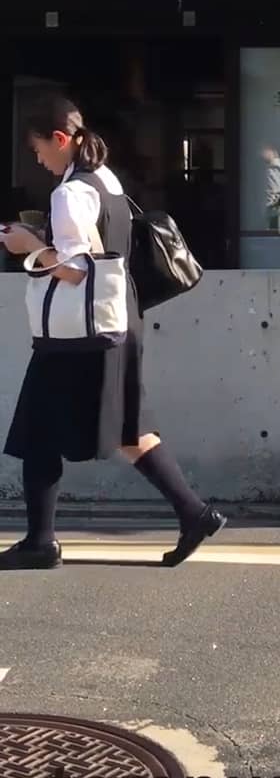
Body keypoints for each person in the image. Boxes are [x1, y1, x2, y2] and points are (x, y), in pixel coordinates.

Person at [0, 96, 225, 570]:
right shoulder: (105, 180)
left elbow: (76, 269)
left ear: (61, 140)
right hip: (118, 320)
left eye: (39, 149)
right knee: (128, 428)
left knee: (37, 431)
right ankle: (194, 513)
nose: (37, 159)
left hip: (76, 332)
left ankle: (41, 543)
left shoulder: (69, 194)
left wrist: (27, 245)